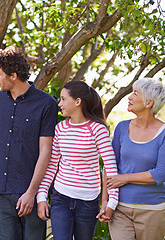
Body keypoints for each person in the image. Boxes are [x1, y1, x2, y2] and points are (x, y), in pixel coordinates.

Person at [0, 46, 58, 240]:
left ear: (13, 75)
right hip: (1, 190)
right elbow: (3, 135)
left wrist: (32, 193)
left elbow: (46, 152)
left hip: (29, 192)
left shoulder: (46, 104)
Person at [36, 80, 119, 240]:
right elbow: (52, 165)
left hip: (88, 201)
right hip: (61, 197)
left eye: (63, 99)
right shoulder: (60, 128)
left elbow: (110, 167)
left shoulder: (97, 129)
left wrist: (111, 202)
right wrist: (41, 196)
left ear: (77, 101)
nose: (59, 104)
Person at [107, 78, 165, 240]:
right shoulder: (122, 127)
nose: (129, 97)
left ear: (149, 103)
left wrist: (124, 178)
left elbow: (160, 174)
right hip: (120, 209)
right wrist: (106, 202)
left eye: (135, 93)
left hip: (151, 210)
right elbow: (110, 168)